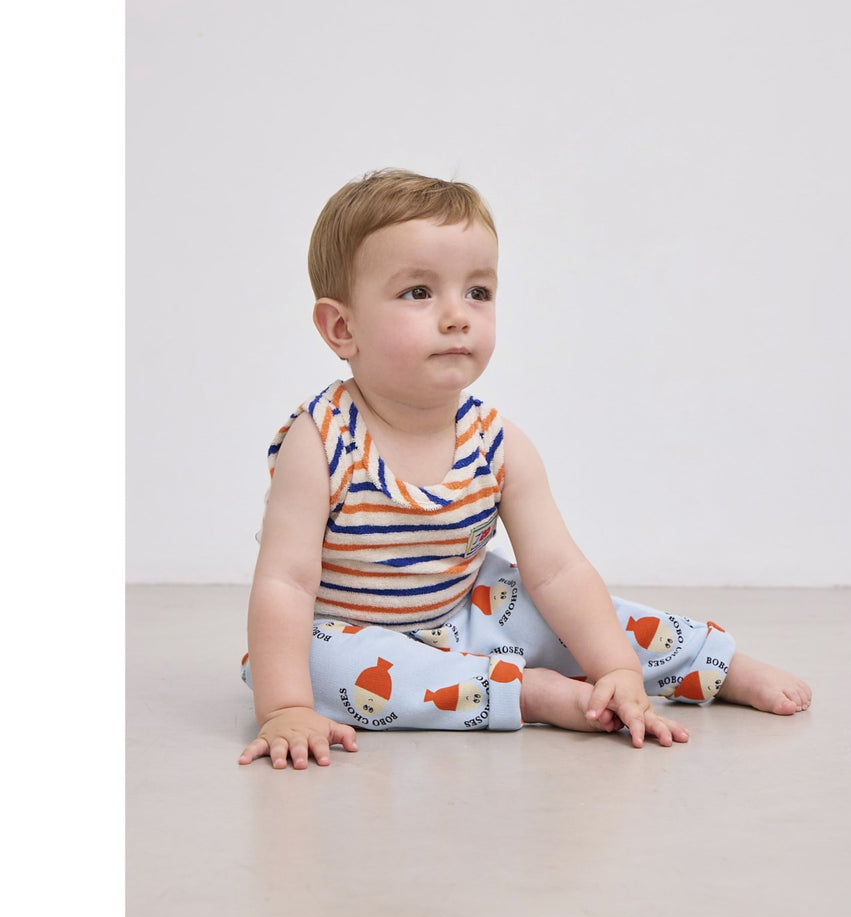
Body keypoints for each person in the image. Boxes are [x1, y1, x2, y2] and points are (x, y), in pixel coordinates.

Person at [238, 169, 812, 770]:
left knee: (584, 615)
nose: (457, 316)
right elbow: (286, 584)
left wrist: (615, 666)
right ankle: (527, 693)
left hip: (466, 616)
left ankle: (712, 665)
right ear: (342, 327)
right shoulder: (321, 441)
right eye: (419, 292)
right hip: (353, 632)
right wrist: (286, 708)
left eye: (478, 292)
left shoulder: (498, 443)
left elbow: (558, 570)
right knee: (320, 665)